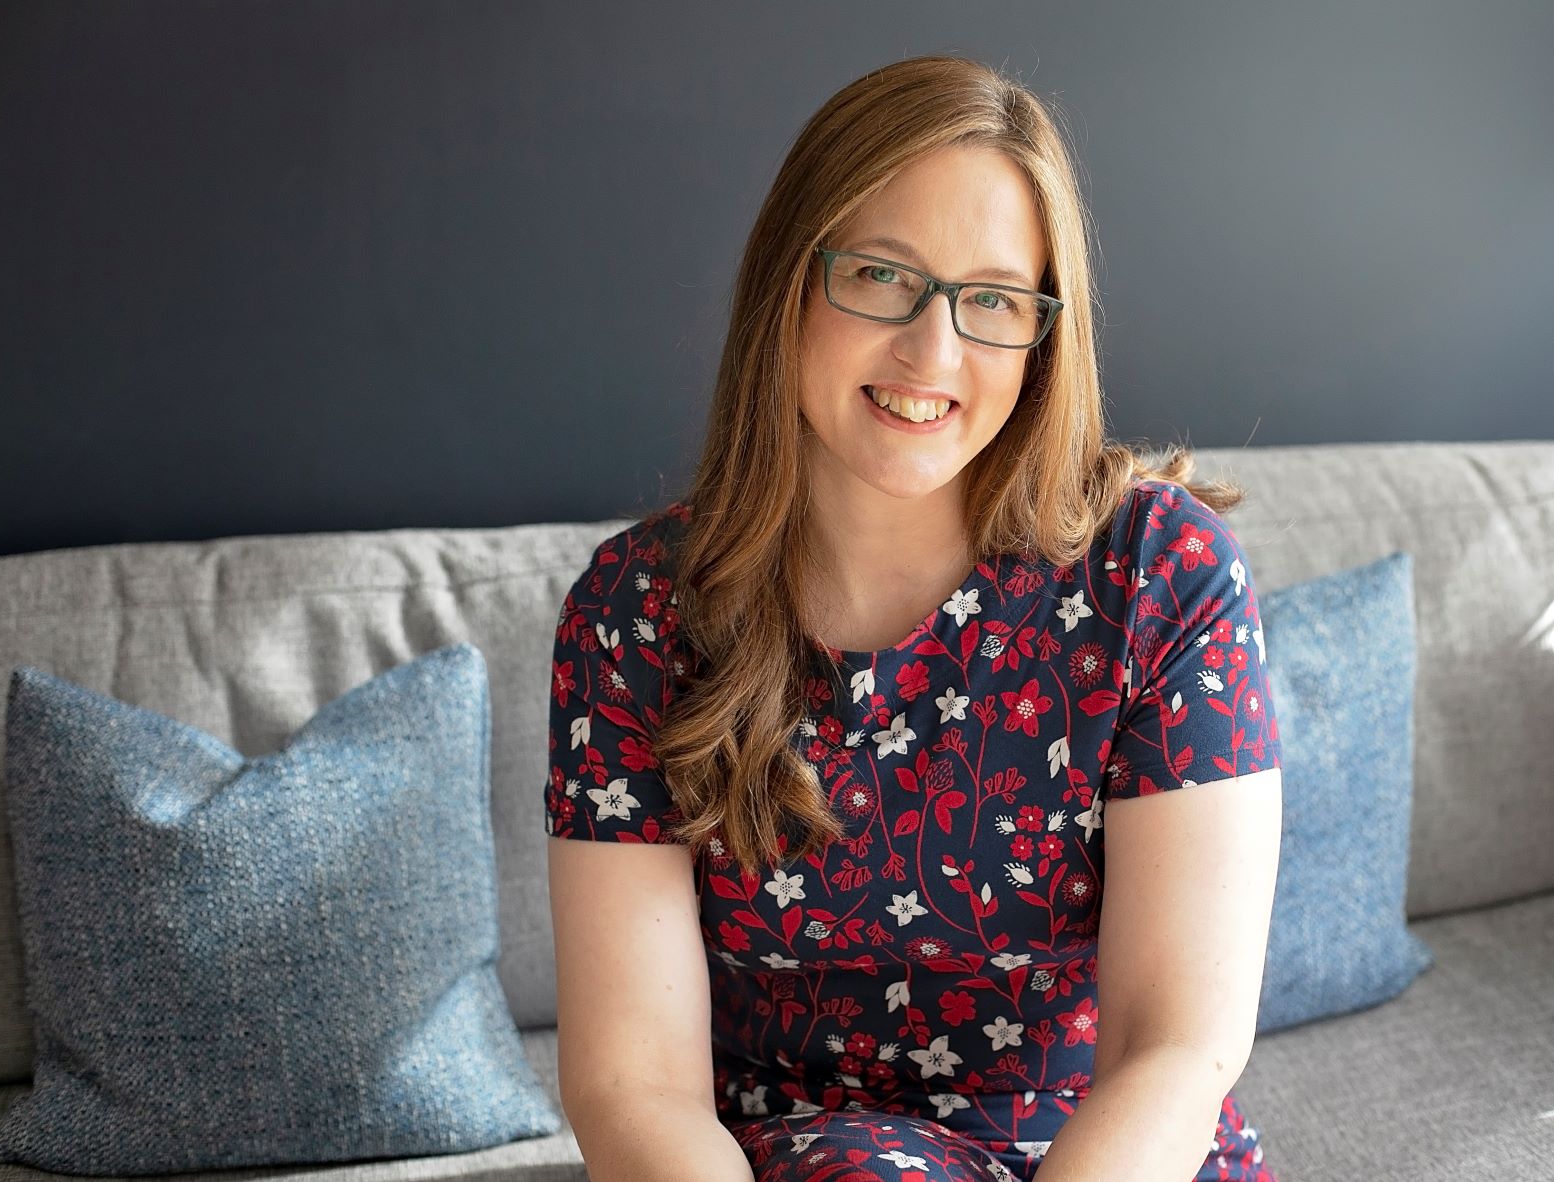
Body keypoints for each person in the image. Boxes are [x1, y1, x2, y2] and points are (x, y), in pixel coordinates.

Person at [545, 54, 1283, 1182]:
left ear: (1043, 336)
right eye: (881, 276)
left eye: (992, 300)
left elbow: (1175, 1049)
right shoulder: (633, 614)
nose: (932, 352)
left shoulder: (1158, 576)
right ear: (790, 282)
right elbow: (632, 1084)